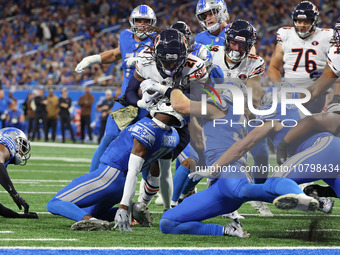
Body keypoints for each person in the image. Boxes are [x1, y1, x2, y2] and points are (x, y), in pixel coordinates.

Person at [46, 99, 183, 231]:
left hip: (108, 175)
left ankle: (93, 222)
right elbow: (165, 176)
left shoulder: (145, 128)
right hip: (120, 187)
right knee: (92, 211)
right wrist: (168, 209)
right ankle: (133, 212)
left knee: (55, 203)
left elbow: (133, 172)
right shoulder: (173, 136)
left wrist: (123, 206)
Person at [75, 4, 156, 172]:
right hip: (127, 101)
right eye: (138, 20)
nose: (141, 24)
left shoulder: (158, 40)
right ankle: (91, 179)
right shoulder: (126, 37)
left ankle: (147, 190)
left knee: (146, 146)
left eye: (145, 21)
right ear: (132, 22)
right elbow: (114, 54)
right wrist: (93, 59)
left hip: (149, 103)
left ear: (152, 22)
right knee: (110, 137)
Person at [268, 1, 334, 113]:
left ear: (314, 21)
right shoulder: (286, 35)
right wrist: (281, 87)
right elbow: (273, 67)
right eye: (299, 21)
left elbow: (337, 67)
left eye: (306, 21)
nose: (302, 25)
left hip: (315, 94)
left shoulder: (326, 36)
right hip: (290, 94)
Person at [0, 127, 38, 219]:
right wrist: (14, 194)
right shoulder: (7, 144)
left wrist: (19, 216)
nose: (22, 152)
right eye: (22, 147)